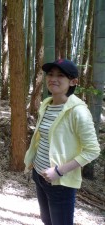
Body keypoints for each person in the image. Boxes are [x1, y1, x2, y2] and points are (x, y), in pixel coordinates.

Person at [24, 59, 100, 225]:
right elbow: (42, 138)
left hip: (60, 182)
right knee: (47, 220)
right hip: (39, 174)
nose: (53, 79)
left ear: (73, 82)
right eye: (50, 74)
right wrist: (31, 160)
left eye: (60, 75)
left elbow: (92, 150)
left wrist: (58, 171)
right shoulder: (47, 103)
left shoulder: (78, 111)